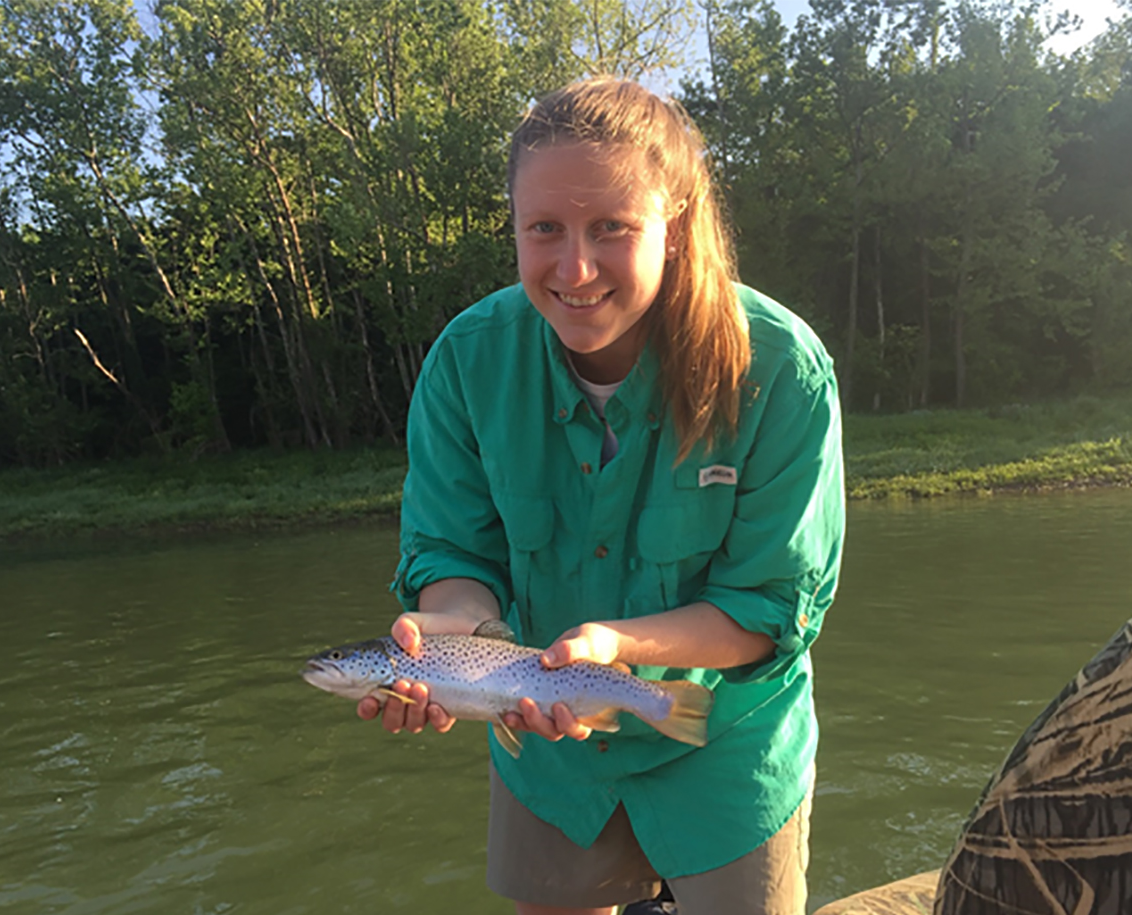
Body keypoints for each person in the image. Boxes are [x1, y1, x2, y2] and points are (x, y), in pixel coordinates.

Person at [357, 76, 845, 915]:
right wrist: (460, 629)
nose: (574, 268)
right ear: (513, 227)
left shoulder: (781, 370)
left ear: (677, 226)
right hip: (546, 749)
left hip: (725, 735)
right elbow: (454, 553)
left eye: (611, 227)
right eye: (544, 228)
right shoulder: (466, 364)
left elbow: (769, 606)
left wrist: (613, 646)